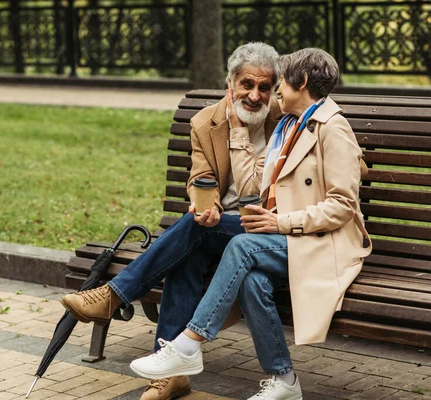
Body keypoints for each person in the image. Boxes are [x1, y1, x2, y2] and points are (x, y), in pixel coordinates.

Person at [129, 48, 372, 400]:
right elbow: (253, 186)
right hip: (295, 237)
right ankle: (284, 380)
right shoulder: (291, 125)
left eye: (281, 85)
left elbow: (343, 207)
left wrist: (281, 222)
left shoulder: (332, 128)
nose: (274, 94)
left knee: (242, 246)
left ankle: (187, 344)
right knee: (253, 280)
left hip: (326, 242)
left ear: (300, 82)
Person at [60, 42, 283, 400]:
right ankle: (172, 375)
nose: (255, 95)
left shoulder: (283, 120)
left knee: (191, 234)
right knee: (191, 244)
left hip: (262, 230)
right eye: (247, 85)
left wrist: (241, 130)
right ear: (230, 84)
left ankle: (114, 295)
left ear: (274, 89)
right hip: (219, 228)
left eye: (264, 88)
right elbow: (200, 177)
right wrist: (203, 206)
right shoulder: (205, 122)